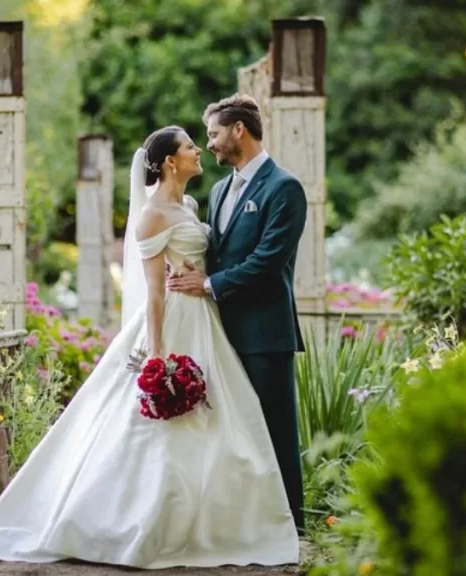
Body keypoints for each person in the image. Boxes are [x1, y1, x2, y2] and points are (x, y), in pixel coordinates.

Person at [0, 123, 300, 569]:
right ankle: (136, 521)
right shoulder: (152, 216)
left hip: (206, 323)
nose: (201, 151)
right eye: (192, 146)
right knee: (160, 431)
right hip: (173, 323)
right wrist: (158, 356)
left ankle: (214, 522)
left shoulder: (191, 205)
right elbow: (154, 293)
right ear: (171, 161)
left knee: (223, 425)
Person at [167, 94, 308, 532]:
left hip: (266, 334)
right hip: (219, 332)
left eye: (213, 134)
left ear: (238, 130)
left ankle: (291, 527)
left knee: (274, 433)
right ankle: (243, 525)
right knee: (232, 436)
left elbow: (268, 261)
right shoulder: (219, 189)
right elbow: (218, 251)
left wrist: (207, 285)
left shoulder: (285, 188)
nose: (209, 144)